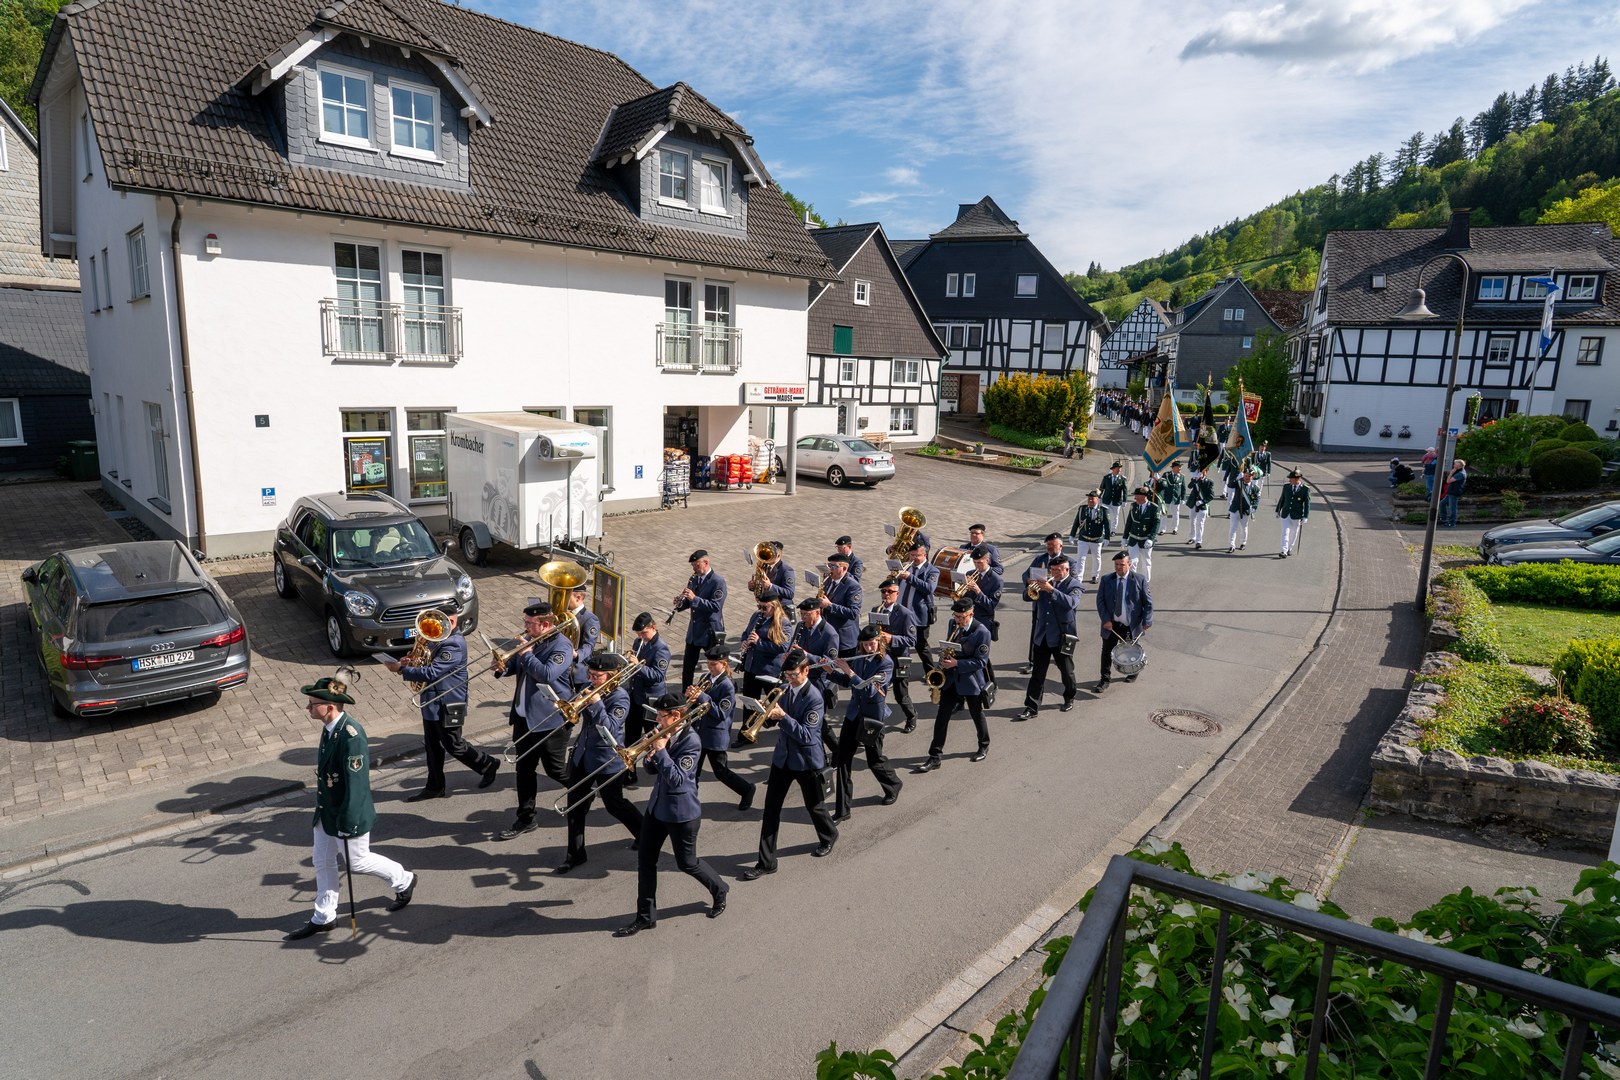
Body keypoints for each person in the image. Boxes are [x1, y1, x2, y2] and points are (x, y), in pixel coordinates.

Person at [285, 671, 417, 940]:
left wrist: (347, 822)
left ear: (329, 707)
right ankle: (324, 915)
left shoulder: (351, 735)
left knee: (357, 862)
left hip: (347, 814)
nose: (308, 707)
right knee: (321, 860)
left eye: (312, 703)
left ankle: (404, 879)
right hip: (327, 812)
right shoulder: (330, 728)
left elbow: (356, 786)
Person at [613, 692, 729, 937]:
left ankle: (719, 888)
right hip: (657, 809)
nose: (657, 720)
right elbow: (652, 770)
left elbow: (677, 780)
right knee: (645, 861)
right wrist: (651, 755)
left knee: (687, 863)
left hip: (681, 813)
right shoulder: (663, 733)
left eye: (662, 716)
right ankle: (645, 917)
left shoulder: (692, 741)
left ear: (676, 715)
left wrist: (661, 750)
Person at [739, 650, 839, 879]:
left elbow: (807, 736)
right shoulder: (784, 690)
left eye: (794, 675)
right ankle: (766, 862)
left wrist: (783, 717)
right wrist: (763, 716)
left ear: (805, 671)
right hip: (782, 759)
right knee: (771, 810)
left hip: (806, 761)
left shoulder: (814, 697)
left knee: (814, 806)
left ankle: (829, 834)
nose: (789, 679)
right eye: (787, 675)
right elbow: (774, 723)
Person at [383, 610, 499, 800]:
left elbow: (432, 673)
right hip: (432, 701)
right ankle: (435, 786)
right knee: (432, 746)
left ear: (453, 621)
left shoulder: (454, 644)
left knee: (454, 745)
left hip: (449, 702)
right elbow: (425, 662)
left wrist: (401, 669)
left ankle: (487, 764)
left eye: (445, 621)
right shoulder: (436, 638)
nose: (437, 626)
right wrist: (411, 661)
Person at [493, 600, 575, 841]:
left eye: (530, 623)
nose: (525, 627)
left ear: (546, 623)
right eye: (525, 622)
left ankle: (584, 790)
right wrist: (501, 667)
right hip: (524, 717)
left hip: (550, 719)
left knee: (555, 769)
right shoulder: (531, 640)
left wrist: (526, 653)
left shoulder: (563, 646)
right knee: (524, 769)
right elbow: (518, 665)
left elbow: (547, 674)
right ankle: (526, 818)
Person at [557, 653, 643, 874]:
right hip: (583, 754)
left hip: (607, 759)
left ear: (611, 676)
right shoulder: (591, 687)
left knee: (615, 805)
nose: (593, 679)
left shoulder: (621, 697)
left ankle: (644, 833)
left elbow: (610, 729)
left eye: (598, 676)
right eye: (591, 674)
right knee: (575, 806)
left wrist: (595, 705)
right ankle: (575, 854)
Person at [827, 624, 903, 821]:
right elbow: (847, 682)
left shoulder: (886, 663)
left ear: (879, 643)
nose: (869, 648)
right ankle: (843, 810)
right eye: (866, 645)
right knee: (843, 760)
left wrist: (850, 673)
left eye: (873, 644)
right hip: (854, 715)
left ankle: (893, 784)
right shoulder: (859, 658)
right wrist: (831, 671)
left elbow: (869, 690)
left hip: (872, 717)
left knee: (874, 760)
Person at [914, 597, 993, 772]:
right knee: (942, 717)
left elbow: (981, 662)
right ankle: (935, 756)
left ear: (970, 614)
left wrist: (958, 664)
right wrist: (942, 661)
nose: (957, 620)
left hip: (970, 681)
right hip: (950, 679)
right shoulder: (953, 624)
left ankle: (983, 745)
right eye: (955, 616)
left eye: (961, 617)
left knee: (976, 714)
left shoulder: (982, 632)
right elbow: (950, 646)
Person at [687, 645, 754, 809]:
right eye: (708, 664)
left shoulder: (727, 686)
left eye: (713, 664)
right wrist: (690, 697)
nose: (710, 668)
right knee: (692, 771)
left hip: (715, 736)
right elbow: (697, 704)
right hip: (699, 732)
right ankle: (689, 802)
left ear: (724, 664)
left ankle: (747, 789)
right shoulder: (705, 677)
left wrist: (701, 696)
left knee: (721, 772)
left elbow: (721, 714)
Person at [1018, 554, 1079, 720]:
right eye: (1053, 570)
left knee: (1066, 672)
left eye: (1059, 570)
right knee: (1037, 674)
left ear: (1067, 570)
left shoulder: (1074, 585)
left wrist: (1051, 589)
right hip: (1042, 635)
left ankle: (1069, 697)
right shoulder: (1045, 581)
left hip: (1062, 636)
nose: (1055, 573)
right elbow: (1026, 596)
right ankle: (1031, 707)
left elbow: (1071, 603)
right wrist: (1031, 585)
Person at [1094, 551, 1152, 693]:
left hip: (1131, 625)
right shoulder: (1107, 579)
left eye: (1122, 564)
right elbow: (1100, 601)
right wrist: (1106, 620)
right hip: (1112, 625)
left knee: (1131, 649)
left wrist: (1147, 621)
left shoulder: (1139, 580)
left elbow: (1148, 603)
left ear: (1129, 564)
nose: (1119, 567)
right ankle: (1104, 679)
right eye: (1116, 565)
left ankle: (1132, 672)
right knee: (1107, 652)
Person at [871, 578, 919, 733]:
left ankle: (911, 716)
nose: (886, 595)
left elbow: (912, 640)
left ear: (897, 594)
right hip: (881, 658)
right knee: (878, 692)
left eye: (890, 592)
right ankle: (876, 723)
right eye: (883, 592)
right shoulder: (876, 609)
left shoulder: (905, 614)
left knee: (901, 695)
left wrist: (892, 638)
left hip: (898, 658)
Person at [674, 550, 726, 688]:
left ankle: (717, 690)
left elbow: (716, 606)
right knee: (688, 667)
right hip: (694, 631)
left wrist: (694, 598)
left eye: (696, 565)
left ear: (706, 563)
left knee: (715, 665)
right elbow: (689, 602)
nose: (694, 569)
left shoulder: (717, 582)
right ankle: (686, 693)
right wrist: (680, 603)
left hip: (709, 631)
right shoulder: (694, 579)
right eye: (693, 566)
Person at [1019, 533, 1066, 675]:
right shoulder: (1040, 559)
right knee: (1036, 632)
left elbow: (1071, 581)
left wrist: (1051, 585)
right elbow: (1025, 575)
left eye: (1053, 545)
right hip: (1040, 603)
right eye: (1048, 546)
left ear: (1061, 546)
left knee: (1060, 633)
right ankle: (1032, 661)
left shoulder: (1068, 562)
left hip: (1057, 605)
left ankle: (1062, 661)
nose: (1050, 548)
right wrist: (1030, 582)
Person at [624, 611, 669, 751]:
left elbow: (658, 675)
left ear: (653, 627)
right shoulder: (638, 642)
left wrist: (638, 666)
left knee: (651, 735)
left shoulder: (661, 648)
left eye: (644, 633)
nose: (641, 637)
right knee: (631, 734)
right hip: (635, 695)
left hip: (650, 699)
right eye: (638, 634)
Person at [962, 544, 1002, 696]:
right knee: (969, 654)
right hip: (968, 620)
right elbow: (965, 599)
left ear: (988, 560)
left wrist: (978, 591)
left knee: (981, 657)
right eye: (975, 563)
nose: (977, 566)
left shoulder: (996, 580)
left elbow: (991, 606)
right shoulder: (971, 573)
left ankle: (989, 685)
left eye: (980, 563)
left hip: (983, 622)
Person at [894, 542, 939, 677]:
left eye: (916, 555)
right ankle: (898, 675)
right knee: (899, 646)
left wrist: (910, 577)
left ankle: (931, 673)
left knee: (921, 646)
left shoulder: (932, 570)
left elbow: (929, 588)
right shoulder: (906, 567)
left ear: (924, 555)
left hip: (918, 615)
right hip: (902, 613)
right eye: (911, 555)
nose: (913, 558)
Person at [738, 597, 790, 700]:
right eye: (759, 606)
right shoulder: (756, 615)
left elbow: (783, 647)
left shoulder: (783, 622)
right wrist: (744, 641)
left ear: (774, 606)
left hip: (769, 670)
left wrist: (759, 642)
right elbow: (746, 632)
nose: (761, 610)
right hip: (751, 668)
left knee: (773, 705)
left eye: (765, 607)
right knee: (750, 704)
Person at [819, 553, 863, 656]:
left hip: (844, 640)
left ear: (844, 568)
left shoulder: (853, 586)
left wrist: (829, 605)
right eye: (829, 566)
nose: (830, 569)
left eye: (834, 566)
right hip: (829, 635)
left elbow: (853, 613)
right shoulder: (829, 580)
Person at [1070, 489, 1112, 584]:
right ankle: (1079, 577)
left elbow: (1107, 525)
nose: (1090, 501)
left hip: (1096, 539)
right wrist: (1072, 535)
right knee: (1081, 558)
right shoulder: (1082, 509)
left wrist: (1107, 538)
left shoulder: (1103, 510)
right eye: (1089, 499)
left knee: (1096, 557)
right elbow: (1076, 522)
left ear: (1097, 499)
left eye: (1092, 499)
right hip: (1083, 538)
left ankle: (1095, 575)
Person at [1122, 485, 1161, 582]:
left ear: (1144, 496)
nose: (1135, 498)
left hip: (1145, 540)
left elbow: (1156, 524)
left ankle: (1145, 583)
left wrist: (1151, 538)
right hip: (1134, 539)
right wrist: (1124, 537)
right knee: (1132, 562)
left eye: (1137, 495)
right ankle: (1132, 582)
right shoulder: (1134, 506)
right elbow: (1129, 522)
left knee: (1146, 562)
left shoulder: (1153, 508)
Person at [565, 584, 599, 690]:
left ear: (578, 598)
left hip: (578, 672)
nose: (564, 600)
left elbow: (589, 645)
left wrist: (577, 654)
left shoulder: (590, 619)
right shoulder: (564, 614)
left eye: (567, 597)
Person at [1275, 469, 1310, 558]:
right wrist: (1278, 509)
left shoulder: (1305, 489)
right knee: (1285, 532)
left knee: (1294, 533)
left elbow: (1307, 504)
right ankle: (1283, 551)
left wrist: (1305, 516)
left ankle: (1289, 548)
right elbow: (1282, 498)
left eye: (1291, 479)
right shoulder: (1286, 486)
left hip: (1297, 515)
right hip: (1286, 513)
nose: (1289, 480)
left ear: (1297, 479)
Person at [1226, 464, 1260, 553]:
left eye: (1249, 476)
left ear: (1252, 477)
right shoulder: (1238, 482)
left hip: (1245, 510)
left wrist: (1254, 507)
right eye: (1245, 475)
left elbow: (1256, 499)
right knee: (1233, 528)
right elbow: (1230, 485)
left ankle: (1243, 543)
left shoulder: (1255, 488)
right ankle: (1231, 545)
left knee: (1244, 528)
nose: (1247, 477)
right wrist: (1237, 477)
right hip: (1235, 508)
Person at [750, 541, 795, 608]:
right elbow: (762, 586)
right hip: (766, 607)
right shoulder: (764, 566)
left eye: (771, 554)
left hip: (781, 608)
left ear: (778, 555)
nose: (767, 556)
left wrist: (770, 586)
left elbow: (790, 593)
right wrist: (754, 586)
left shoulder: (786, 570)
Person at [1186, 463, 1215, 549]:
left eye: (1203, 471)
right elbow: (1189, 486)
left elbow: (1211, 495)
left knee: (1200, 523)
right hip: (1193, 503)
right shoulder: (1195, 479)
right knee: (1192, 521)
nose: (1201, 473)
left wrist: (1202, 501)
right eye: (1200, 471)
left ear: (1206, 472)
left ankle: (1198, 541)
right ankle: (1192, 537)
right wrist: (1196, 479)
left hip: (1202, 505)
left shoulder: (1209, 482)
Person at [1155, 460, 1187, 535]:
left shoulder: (1182, 476)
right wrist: (1158, 479)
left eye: (1180, 467)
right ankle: (1162, 529)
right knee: (1164, 514)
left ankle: (1175, 528)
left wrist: (1183, 498)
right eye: (1179, 467)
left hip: (1176, 499)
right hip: (1166, 498)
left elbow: (1183, 488)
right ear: (1174, 468)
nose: (1180, 469)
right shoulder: (1166, 475)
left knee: (1175, 514)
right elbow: (1161, 485)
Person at [1099, 460, 1129, 534]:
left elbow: (1125, 490)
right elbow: (1101, 488)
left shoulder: (1122, 479)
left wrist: (1125, 500)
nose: (1119, 470)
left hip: (1116, 501)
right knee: (1105, 516)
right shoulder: (1106, 477)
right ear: (1113, 469)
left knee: (1115, 517)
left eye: (1120, 468)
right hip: (1106, 500)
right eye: (1117, 468)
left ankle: (1113, 530)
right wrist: (1099, 497)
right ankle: (1103, 530)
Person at [1440, 459, 1468, 527]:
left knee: (1452, 508)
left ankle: (1452, 523)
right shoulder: (1459, 471)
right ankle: (1444, 519)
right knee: (1442, 504)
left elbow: (1448, 481)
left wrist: (1451, 472)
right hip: (1450, 492)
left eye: (1455, 464)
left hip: (1454, 493)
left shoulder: (1460, 474)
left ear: (1459, 466)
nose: (1453, 465)